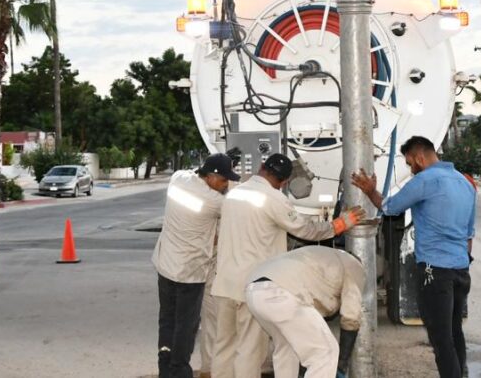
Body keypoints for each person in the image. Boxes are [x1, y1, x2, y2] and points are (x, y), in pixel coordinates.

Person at [210, 153, 365, 378]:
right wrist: (340, 224)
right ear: (284, 182)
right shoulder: (273, 198)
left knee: (223, 347)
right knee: (249, 351)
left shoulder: (234, 193)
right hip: (251, 282)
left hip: (223, 282)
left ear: (262, 166)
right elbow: (306, 231)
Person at [351, 136, 476, 378]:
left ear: (419, 158)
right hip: (461, 269)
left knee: (441, 339)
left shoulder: (426, 180)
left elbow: (390, 208)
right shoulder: (465, 183)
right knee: (454, 332)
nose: (411, 168)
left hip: (434, 270)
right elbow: (470, 234)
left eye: (410, 163)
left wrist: (369, 190)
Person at [152, 153, 238, 378]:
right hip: (190, 272)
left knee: (167, 319)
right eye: (223, 179)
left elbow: (190, 174)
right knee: (186, 325)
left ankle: (165, 366)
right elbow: (236, 207)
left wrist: (223, 160)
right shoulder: (215, 202)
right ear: (210, 177)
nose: (226, 184)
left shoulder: (178, 179)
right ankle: (179, 369)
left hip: (166, 265)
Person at [244, 246, 365, 378]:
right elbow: (351, 317)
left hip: (254, 291)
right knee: (325, 352)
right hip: (284, 291)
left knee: (288, 349)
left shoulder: (325, 255)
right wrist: (342, 363)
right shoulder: (354, 265)